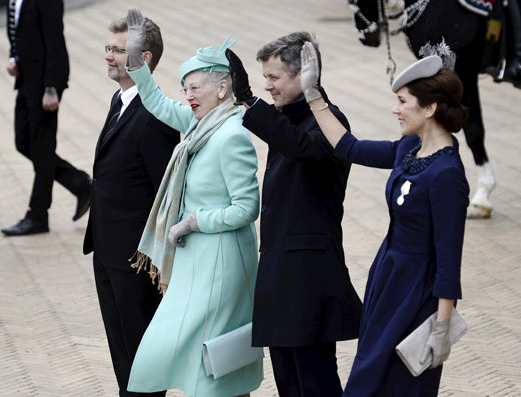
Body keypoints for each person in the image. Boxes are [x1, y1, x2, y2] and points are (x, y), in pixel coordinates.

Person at [300, 44, 469, 396]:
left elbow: (449, 259)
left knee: (397, 385)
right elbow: (349, 147)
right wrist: (314, 95)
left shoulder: (447, 174)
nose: (396, 110)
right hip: (388, 280)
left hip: (416, 293)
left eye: (403, 102)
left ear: (430, 108)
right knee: (367, 377)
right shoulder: (409, 147)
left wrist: (441, 325)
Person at [123, 9, 262, 397]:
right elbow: (159, 105)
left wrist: (192, 222)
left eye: (195, 87)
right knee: (188, 350)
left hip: (223, 260)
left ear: (221, 88)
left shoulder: (232, 134)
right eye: (185, 87)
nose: (187, 96)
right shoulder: (200, 124)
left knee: (216, 358)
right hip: (193, 259)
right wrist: (138, 67)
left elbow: (246, 209)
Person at [225, 32, 362, 396]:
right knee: (289, 384)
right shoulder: (288, 119)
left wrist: (249, 102)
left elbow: (304, 149)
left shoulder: (329, 121)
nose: (267, 86)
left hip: (309, 280)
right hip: (281, 279)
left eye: (273, 78)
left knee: (315, 384)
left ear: (305, 75)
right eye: (264, 78)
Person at [82, 16, 179, 397]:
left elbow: (165, 194)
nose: (108, 56)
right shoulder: (120, 100)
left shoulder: (156, 116)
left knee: (141, 363)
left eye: (118, 50)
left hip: (135, 262)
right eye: (108, 47)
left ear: (145, 58)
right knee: (123, 360)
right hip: (106, 250)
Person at [2, 0, 91, 236]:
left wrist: (51, 87)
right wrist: (14, 58)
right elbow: (19, 30)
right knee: (24, 144)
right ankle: (81, 184)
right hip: (26, 80)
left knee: (42, 149)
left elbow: (55, 40)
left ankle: (38, 216)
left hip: (45, 83)